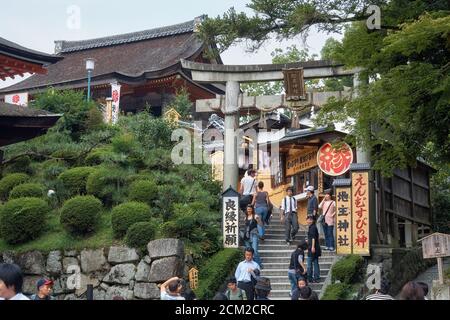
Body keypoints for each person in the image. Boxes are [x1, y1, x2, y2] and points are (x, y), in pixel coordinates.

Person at [306, 215, 321, 283]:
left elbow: (313, 238)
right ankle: (316, 277)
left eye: (310, 219)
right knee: (315, 263)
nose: (308, 221)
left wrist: (312, 246)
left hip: (312, 248)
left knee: (309, 264)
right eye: (308, 219)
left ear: (313, 220)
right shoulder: (313, 227)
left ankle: (310, 277)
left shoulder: (312, 228)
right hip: (315, 247)